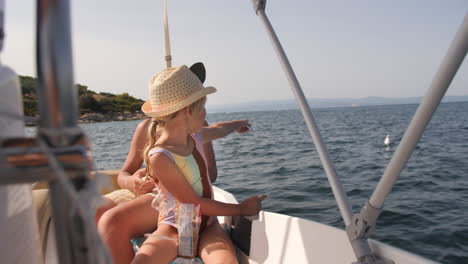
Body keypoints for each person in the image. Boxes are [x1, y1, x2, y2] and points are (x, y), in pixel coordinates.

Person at [97, 63, 253, 264]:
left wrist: (238, 124)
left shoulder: (196, 134)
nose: (205, 113)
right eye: (202, 107)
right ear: (188, 108)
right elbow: (193, 202)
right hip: (174, 222)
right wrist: (241, 209)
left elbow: (218, 132)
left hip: (204, 222)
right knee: (108, 220)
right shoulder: (159, 151)